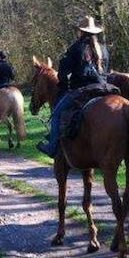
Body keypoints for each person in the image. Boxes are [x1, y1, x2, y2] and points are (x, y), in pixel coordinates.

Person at [37, 16, 110, 157]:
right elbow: (107, 70)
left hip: (82, 90)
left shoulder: (76, 48)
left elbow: (62, 74)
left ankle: (52, 148)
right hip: (104, 88)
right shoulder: (104, 49)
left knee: (57, 114)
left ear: (80, 32)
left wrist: (64, 85)